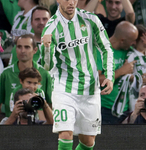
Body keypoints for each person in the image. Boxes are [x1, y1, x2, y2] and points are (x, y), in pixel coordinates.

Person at [41, 0, 115, 149]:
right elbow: (47, 66)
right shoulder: (51, 27)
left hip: (89, 89)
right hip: (64, 88)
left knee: (88, 142)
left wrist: (109, 76)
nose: (71, 2)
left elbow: (106, 47)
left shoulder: (91, 19)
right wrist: (46, 48)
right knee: (65, 133)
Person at [0, 34, 52, 120]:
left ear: (35, 50)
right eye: (19, 47)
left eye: (27, 47)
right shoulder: (6, 73)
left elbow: (50, 104)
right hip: (11, 125)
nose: (22, 51)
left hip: (38, 125)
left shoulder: (45, 74)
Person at [97, 21, 138, 124]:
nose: (134, 44)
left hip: (126, 109)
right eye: (132, 41)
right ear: (122, 40)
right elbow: (95, 79)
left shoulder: (128, 51)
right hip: (105, 109)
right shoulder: (100, 50)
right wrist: (121, 71)